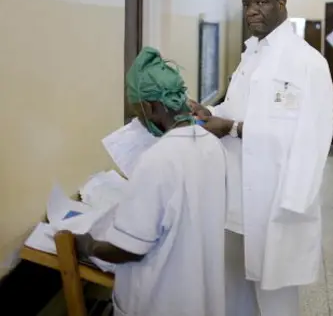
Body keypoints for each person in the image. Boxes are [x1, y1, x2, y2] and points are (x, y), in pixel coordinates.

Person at [190, 0, 333, 316]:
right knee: (238, 290)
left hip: (277, 198)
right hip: (238, 193)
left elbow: (313, 140)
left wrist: (236, 128)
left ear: (281, 4)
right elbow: (236, 108)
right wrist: (209, 111)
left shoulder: (308, 62)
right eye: (246, 4)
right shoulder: (250, 56)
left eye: (261, 2)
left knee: (276, 298)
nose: (252, 11)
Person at [73, 47, 227, 316]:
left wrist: (87, 245)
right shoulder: (211, 146)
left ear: (150, 107)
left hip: (161, 301)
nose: (137, 119)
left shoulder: (157, 159)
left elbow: (129, 249)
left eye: (137, 111)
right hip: (200, 296)